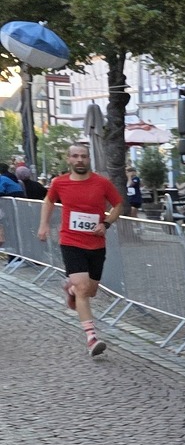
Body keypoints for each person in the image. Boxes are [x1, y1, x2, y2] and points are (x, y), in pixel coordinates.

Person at [38, 141, 122, 356]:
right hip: (70, 241)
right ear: (68, 159)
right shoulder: (60, 182)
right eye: (75, 156)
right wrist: (44, 225)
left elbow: (118, 205)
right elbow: (48, 201)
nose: (79, 160)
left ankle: (71, 289)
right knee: (83, 287)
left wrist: (106, 224)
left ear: (88, 159)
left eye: (83, 156)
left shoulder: (102, 183)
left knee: (90, 291)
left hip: (96, 244)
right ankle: (91, 338)